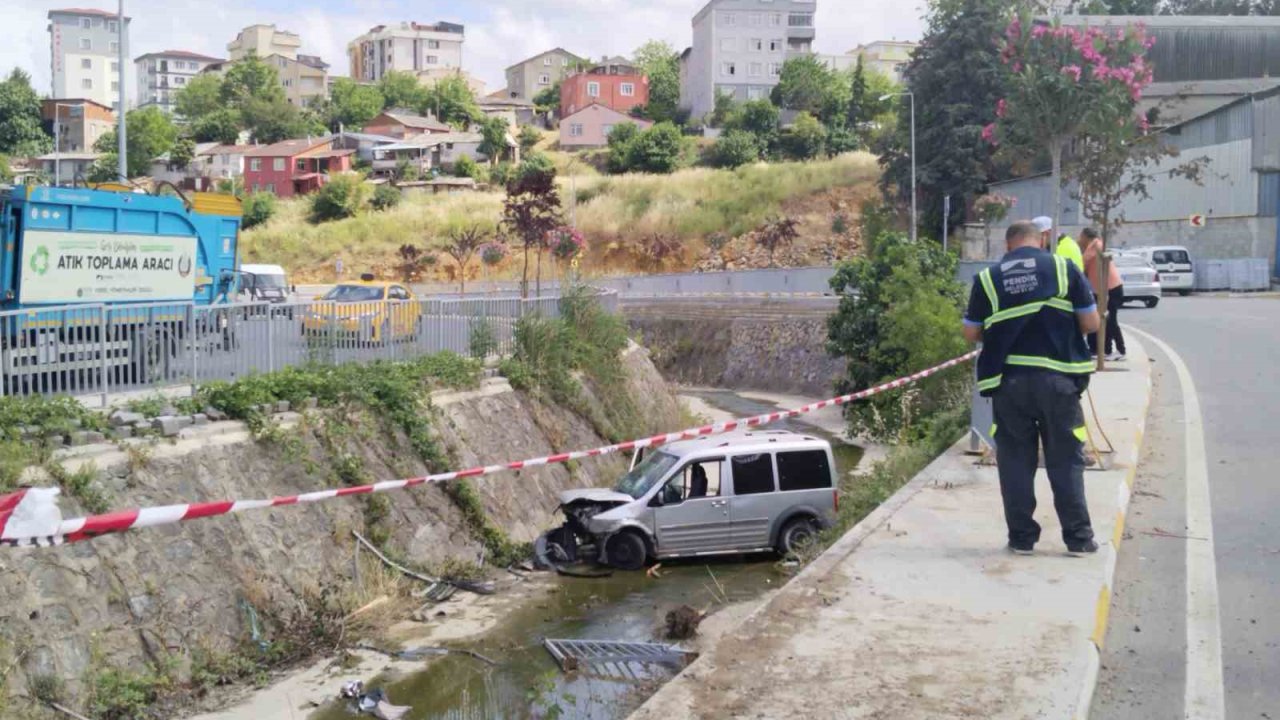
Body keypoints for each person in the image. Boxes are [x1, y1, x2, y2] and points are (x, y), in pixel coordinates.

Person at [962, 221, 1101, 556]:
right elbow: (1091, 323)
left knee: (1015, 462)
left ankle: (1022, 539)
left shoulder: (988, 279)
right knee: (1066, 460)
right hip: (1059, 381)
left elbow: (970, 333)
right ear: (1041, 241)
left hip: (1009, 384)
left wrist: (1002, 334)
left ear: (1008, 247)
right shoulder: (1064, 267)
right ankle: (1078, 540)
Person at [1082, 228, 1127, 361]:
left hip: (1110, 288)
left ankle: (1121, 350)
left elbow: (1082, 261)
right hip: (1103, 289)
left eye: (1081, 237)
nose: (1079, 240)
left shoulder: (1095, 245)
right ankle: (1105, 350)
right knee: (1104, 319)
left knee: (1110, 320)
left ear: (1086, 237)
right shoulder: (1098, 244)